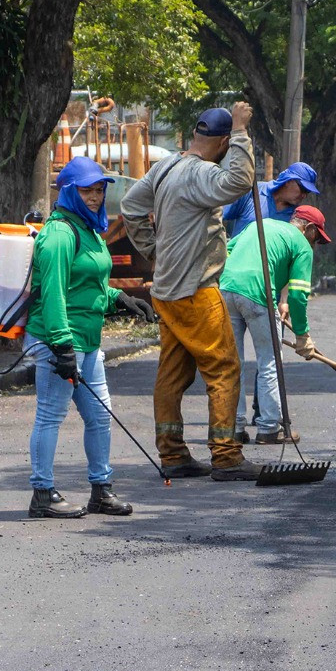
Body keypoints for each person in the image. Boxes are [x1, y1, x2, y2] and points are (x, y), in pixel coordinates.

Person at [121, 103, 262, 481]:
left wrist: (154, 250)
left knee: (172, 373)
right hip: (196, 290)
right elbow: (238, 182)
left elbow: (131, 205)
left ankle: (173, 454)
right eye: (226, 144)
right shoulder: (201, 173)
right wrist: (242, 133)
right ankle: (227, 456)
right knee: (224, 369)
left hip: (166, 291)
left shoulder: (164, 167)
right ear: (219, 142)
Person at [23, 157, 151, 519]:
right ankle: (42, 494)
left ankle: (101, 490)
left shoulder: (89, 229)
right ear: (69, 191)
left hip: (88, 341)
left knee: (99, 417)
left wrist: (120, 299)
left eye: (99, 190)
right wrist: (61, 346)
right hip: (58, 340)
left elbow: (88, 286)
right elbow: (54, 295)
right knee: (50, 415)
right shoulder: (60, 234)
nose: (95, 197)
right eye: (87, 190)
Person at [220, 204, 328, 443]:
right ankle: (269, 428)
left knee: (231, 364)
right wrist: (302, 336)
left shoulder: (259, 224)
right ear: (309, 229)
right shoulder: (301, 245)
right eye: (316, 239)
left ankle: (234, 429)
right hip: (258, 295)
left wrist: (278, 301)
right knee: (270, 361)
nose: (315, 245)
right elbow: (299, 295)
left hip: (225, 290)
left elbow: (226, 250)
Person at [222, 161, 321, 239]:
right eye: (303, 189)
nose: (304, 195)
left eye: (307, 192)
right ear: (289, 181)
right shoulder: (253, 192)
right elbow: (219, 217)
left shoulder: (296, 217)